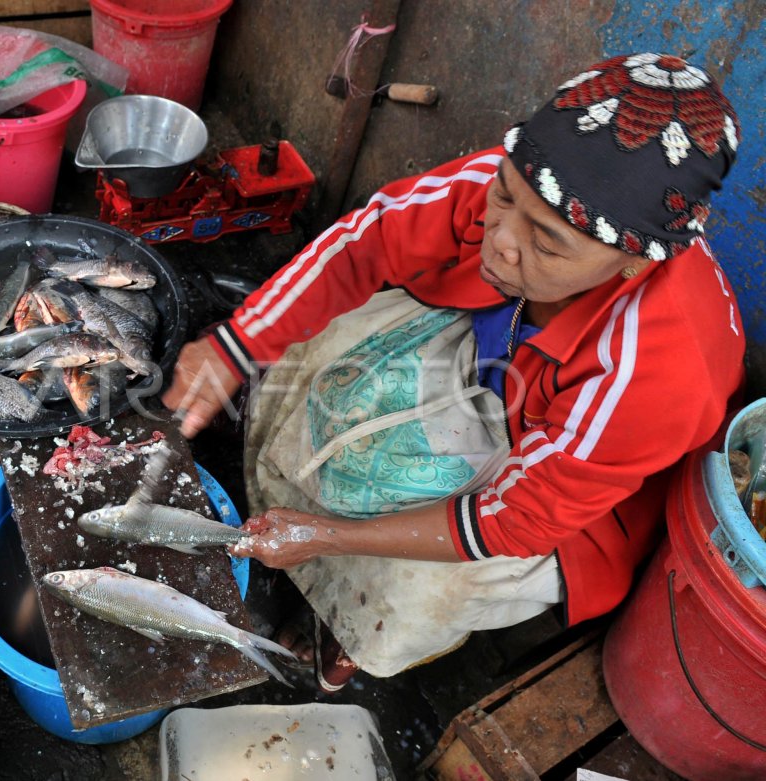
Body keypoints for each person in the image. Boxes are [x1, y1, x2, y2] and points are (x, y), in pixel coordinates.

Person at [162, 53, 745, 692]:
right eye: (502, 195)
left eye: (546, 244)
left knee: (419, 582)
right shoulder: (535, 182)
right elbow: (369, 240)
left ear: (633, 264)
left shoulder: (659, 368)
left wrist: (329, 534)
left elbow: (513, 518)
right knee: (308, 365)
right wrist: (234, 345)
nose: (500, 238)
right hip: (488, 347)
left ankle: (350, 636)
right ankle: (296, 545)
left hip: (560, 486)